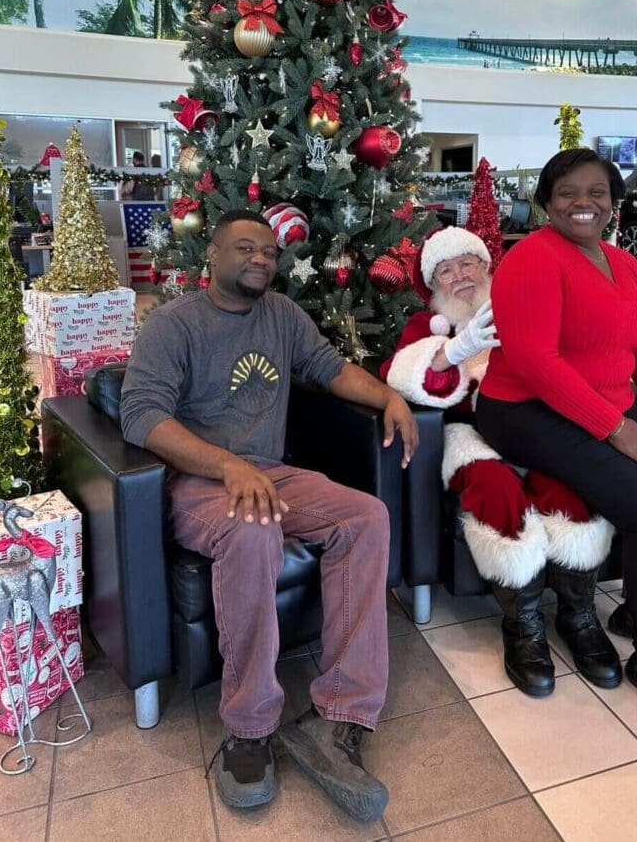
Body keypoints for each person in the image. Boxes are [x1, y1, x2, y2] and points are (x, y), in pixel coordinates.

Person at [120, 209, 418, 819]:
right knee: (253, 531)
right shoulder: (174, 325)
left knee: (366, 517)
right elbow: (142, 418)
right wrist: (227, 466)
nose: (260, 259)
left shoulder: (283, 315)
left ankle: (339, 716)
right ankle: (249, 728)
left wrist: (390, 395)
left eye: (269, 252)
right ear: (211, 255)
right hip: (201, 481)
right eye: (245, 248)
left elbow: (331, 371)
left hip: (272, 472)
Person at [475, 149, 637, 733]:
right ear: (545, 201)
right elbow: (536, 362)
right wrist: (615, 428)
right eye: (567, 192)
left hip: (606, 405)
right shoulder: (530, 259)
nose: (583, 203)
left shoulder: (625, 264)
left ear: (615, 204)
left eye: (597, 192)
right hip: (527, 409)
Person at [382, 226, 620, 697]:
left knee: (569, 491)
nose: (460, 277)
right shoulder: (425, 326)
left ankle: (578, 615)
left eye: (467, 263)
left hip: (534, 425)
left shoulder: (523, 304)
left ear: (486, 267)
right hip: (468, 432)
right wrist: (454, 350)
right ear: (434, 287)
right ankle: (524, 625)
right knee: (495, 490)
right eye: (445, 271)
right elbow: (400, 376)